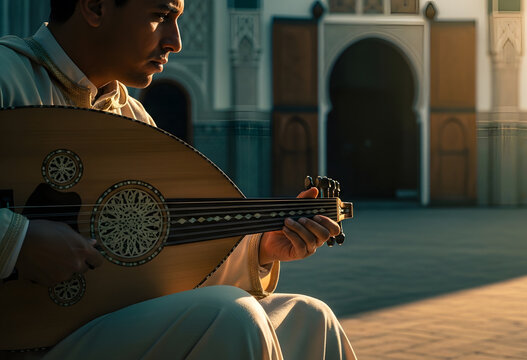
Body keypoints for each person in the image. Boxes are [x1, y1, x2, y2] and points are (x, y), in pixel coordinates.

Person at [0, 0, 357, 359]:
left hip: (104, 324)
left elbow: (162, 261)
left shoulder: (132, 117)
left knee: (311, 318)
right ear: (94, 7)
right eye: (161, 16)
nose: (176, 41)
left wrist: (262, 248)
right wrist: (18, 242)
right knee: (231, 315)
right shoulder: (7, 78)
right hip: (27, 341)